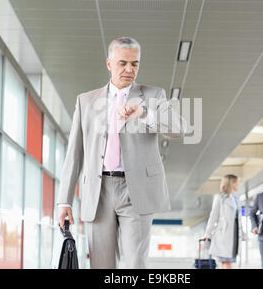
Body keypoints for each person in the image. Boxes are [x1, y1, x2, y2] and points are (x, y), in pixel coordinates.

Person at [57, 36, 187, 269]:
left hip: (136, 189)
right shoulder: (86, 101)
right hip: (98, 192)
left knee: (136, 264)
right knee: (101, 265)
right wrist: (64, 200)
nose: (129, 69)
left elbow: (179, 129)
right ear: (109, 64)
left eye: (134, 64)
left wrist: (145, 113)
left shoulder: (153, 96)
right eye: (122, 63)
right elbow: (74, 152)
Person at [203, 174, 240, 269]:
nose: (238, 184)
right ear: (232, 184)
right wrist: (207, 234)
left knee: (226, 263)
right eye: (236, 182)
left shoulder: (235, 199)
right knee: (226, 262)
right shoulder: (220, 197)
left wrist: (243, 234)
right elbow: (213, 217)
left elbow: (237, 219)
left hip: (233, 235)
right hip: (223, 235)